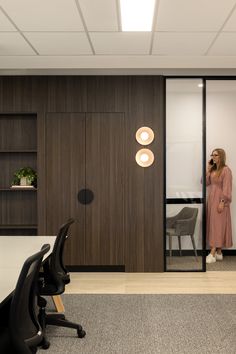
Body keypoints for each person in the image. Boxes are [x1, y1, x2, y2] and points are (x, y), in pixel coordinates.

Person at [206, 148, 233, 264]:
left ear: (221, 156)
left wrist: (222, 202)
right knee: (214, 225)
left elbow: (227, 188)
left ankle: (212, 252)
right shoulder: (212, 170)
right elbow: (204, 182)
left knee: (218, 225)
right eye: (212, 155)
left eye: (216, 155)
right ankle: (219, 252)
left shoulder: (226, 170)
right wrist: (208, 169)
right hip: (212, 200)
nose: (213, 157)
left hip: (220, 201)